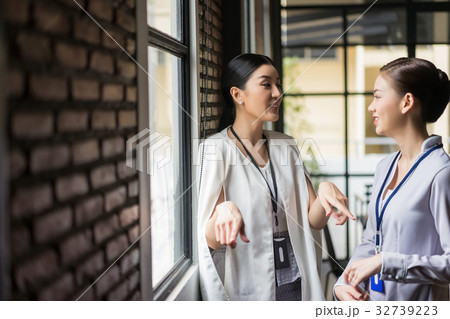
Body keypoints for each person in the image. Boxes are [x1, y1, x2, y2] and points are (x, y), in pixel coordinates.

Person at [197, 53, 355, 301]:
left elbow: (313, 220)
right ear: (238, 95)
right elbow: (211, 242)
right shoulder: (215, 149)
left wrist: (324, 191)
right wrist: (223, 211)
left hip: (294, 279)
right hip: (251, 286)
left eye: (278, 84)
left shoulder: (285, 145)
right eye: (266, 84)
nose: (277, 93)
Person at [334, 57, 450, 301]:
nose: (371, 107)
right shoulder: (384, 167)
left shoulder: (441, 173)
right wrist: (345, 283)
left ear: (407, 102)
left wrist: (387, 262)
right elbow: (370, 240)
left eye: (377, 96)